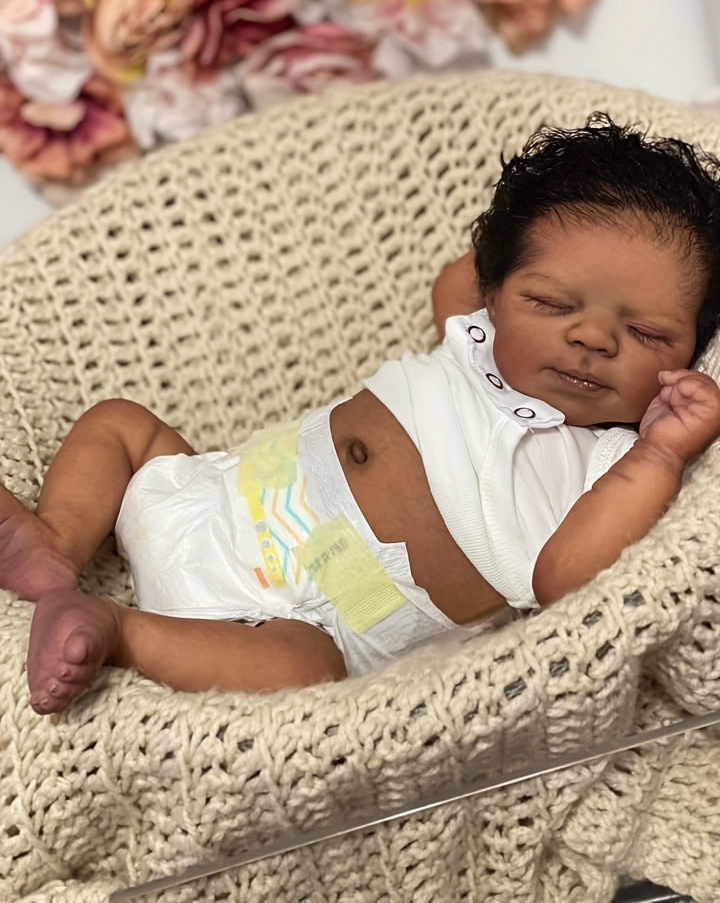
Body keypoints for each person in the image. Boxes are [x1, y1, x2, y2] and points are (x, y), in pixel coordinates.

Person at [5, 114, 720, 716]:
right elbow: (459, 279)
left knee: (307, 671)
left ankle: (116, 629)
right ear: (498, 295)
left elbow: (566, 577)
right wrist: (534, 224)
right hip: (211, 494)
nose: (592, 338)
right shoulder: (477, 339)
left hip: (274, 620)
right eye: (554, 302)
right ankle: (57, 545)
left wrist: (662, 452)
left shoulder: (612, 464)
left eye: (646, 334)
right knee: (121, 422)